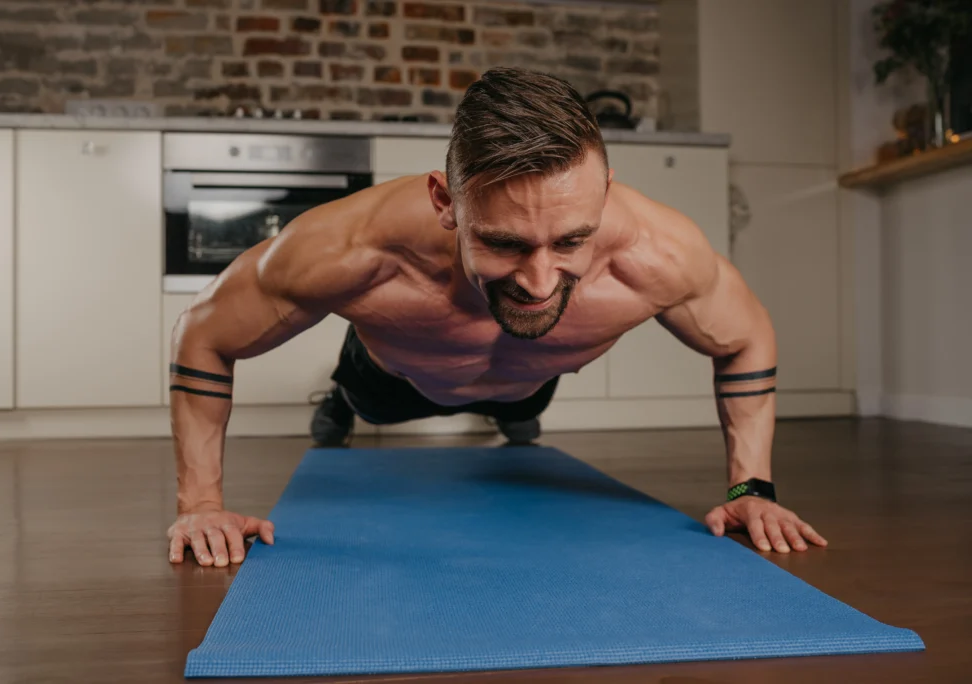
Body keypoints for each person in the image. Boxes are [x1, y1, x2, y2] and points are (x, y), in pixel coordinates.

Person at [165, 67, 828, 568]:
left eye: (571, 241)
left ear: (604, 193)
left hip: (530, 378)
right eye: (505, 243)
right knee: (365, 395)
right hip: (391, 380)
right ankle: (341, 401)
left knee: (524, 384)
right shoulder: (352, 247)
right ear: (444, 202)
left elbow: (746, 338)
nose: (540, 281)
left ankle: (512, 409)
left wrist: (751, 488)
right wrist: (200, 506)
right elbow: (203, 334)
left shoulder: (661, 253)